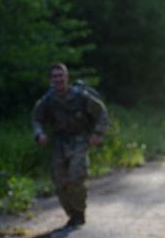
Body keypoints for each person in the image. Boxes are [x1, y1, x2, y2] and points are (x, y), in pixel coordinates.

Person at [32, 63, 109, 227]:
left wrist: (98, 133)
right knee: (59, 181)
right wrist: (39, 133)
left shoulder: (81, 96)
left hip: (80, 140)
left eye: (61, 75)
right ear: (50, 79)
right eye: (54, 76)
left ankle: (79, 212)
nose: (58, 79)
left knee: (76, 177)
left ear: (67, 77)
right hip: (59, 141)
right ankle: (72, 214)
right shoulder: (48, 100)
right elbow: (36, 118)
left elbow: (101, 112)